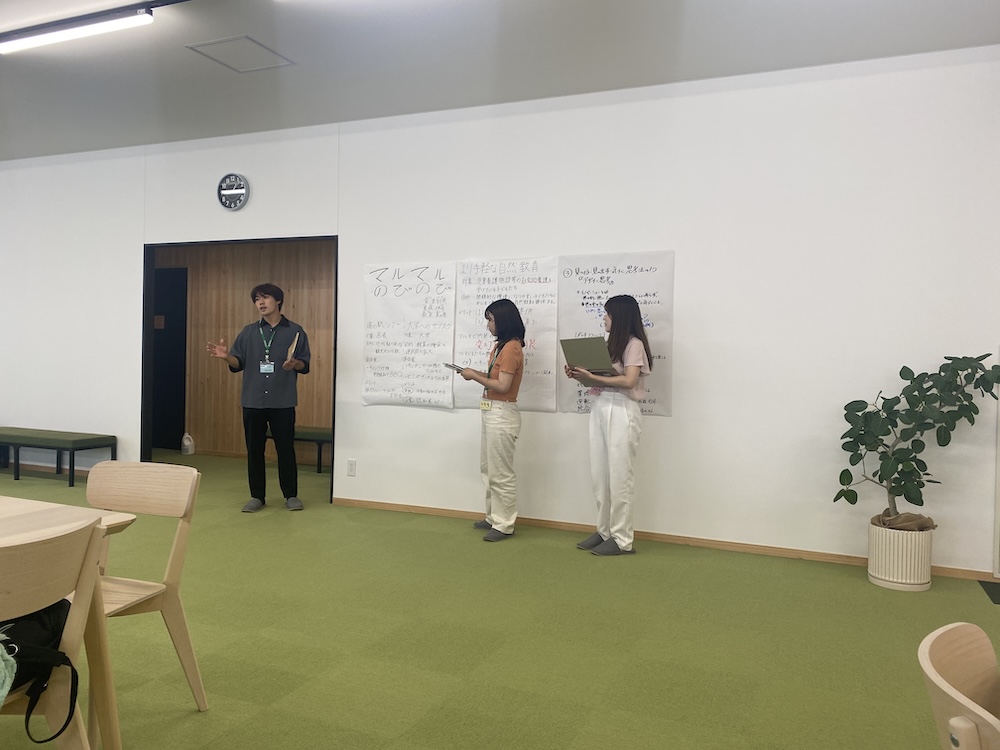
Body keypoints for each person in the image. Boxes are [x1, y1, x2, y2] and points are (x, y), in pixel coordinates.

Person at [207, 283, 311, 512]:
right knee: (254, 450)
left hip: (282, 400)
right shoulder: (249, 332)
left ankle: (291, 495)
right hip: (252, 400)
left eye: (265, 298)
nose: (261, 303)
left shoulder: (295, 331)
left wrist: (295, 364)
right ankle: (257, 497)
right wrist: (226, 357)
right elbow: (238, 363)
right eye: (256, 299)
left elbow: (305, 365)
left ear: (278, 300)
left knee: (285, 449)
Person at [565, 294, 652, 555]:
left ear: (620, 318)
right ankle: (604, 531)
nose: (604, 318)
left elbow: (629, 381)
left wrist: (592, 376)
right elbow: (601, 379)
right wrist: (580, 375)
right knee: (600, 473)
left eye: (608, 314)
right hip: (601, 405)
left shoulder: (634, 344)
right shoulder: (609, 344)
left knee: (620, 475)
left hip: (622, 408)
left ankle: (622, 539)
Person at [458, 299, 526, 542]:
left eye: (491, 320)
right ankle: (492, 516)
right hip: (491, 410)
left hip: (502, 413)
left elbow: (503, 385)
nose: (488, 325)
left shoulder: (512, 348)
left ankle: (504, 524)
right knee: (488, 468)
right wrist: (472, 373)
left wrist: (474, 377)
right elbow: (493, 377)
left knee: (501, 472)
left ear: (503, 321)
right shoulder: (501, 346)